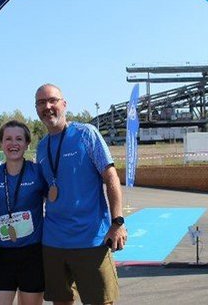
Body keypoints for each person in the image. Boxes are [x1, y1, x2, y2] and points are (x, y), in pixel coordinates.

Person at [34, 84, 127, 305]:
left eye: (52, 100)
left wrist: (118, 222)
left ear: (64, 104)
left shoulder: (86, 134)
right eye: (40, 103)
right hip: (54, 242)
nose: (47, 107)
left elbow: (111, 177)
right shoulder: (41, 147)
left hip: (91, 241)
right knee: (61, 301)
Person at [0, 120, 48, 305]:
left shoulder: (38, 172)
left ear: (27, 143)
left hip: (33, 253)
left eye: (19, 139)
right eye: (8, 139)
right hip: (2, 253)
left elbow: (58, 199)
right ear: (1, 144)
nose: (13, 144)